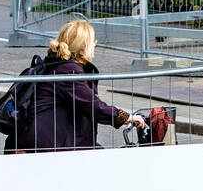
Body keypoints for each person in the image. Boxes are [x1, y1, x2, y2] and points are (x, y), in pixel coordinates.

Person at [22, 20, 144, 151]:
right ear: (82, 48)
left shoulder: (57, 64)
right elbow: (91, 105)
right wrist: (126, 117)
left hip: (50, 140)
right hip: (47, 146)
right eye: (92, 41)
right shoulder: (68, 71)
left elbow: (86, 101)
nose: (95, 43)